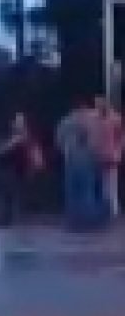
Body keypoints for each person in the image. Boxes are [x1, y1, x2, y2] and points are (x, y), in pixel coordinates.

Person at [55, 95, 105, 229]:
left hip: (70, 160)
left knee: (72, 192)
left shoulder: (65, 121)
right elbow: (98, 140)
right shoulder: (91, 121)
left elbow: (58, 139)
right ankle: (89, 222)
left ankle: (73, 222)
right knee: (87, 191)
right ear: (84, 107)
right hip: (87, 159)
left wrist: (65, 151)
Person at [92, 96, 124, 218]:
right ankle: (106, 208)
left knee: (111, 182)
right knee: (102, 183)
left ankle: (114, 209)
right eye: (97, 105)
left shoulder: (115, 118)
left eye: (100, 104)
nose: (98, 107)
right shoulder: (94, 118)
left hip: (111, 154)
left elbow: (121, 136)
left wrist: (118, 150)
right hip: (98, 155)